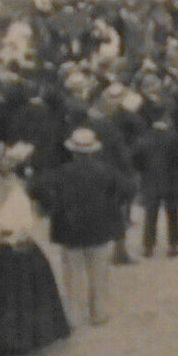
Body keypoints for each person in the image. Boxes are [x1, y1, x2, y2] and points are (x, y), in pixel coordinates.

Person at [28, 127, 135, 328]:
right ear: (93, 150)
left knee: (73, 274)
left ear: (73, 151)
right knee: (99, 273)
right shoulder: (107, 171)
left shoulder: (61, 172)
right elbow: (128, 189)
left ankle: (74, 316)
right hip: (100, 228)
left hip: (70, 228)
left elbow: (35, 188)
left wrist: (52, 206)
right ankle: (99, 313)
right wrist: (113, 203)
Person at [0, 143, 71, 356]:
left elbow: (17, 222)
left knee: (13, 295)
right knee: (21, 294)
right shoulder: (18, 194)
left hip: (14, 245)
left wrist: (13, 235)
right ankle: (21, 338)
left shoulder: (17, 194)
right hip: (17, 245)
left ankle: (17, 339)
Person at [131, 107, 178, 258]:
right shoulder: (173, 137)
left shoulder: (145, 137)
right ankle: (173, 245)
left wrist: (143, 171)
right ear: (165, 118)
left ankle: (148, 246)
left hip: (150, 180)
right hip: (171, 180)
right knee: (172, 213)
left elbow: (136, 158)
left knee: (151, 214)